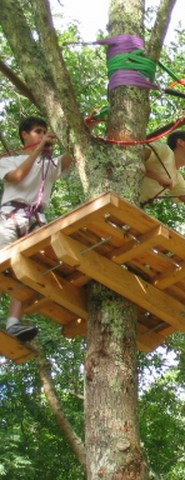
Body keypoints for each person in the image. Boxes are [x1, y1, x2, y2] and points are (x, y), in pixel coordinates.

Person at [0, 116, 73, 342]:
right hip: (10, 217)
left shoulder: (48, 165)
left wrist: (84, 128)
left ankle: (13, 323)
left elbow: (71, 156)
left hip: (36, 221)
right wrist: (39, 149)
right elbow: (18, 177)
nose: (42, 136)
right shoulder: (9, 161)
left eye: (44, 133)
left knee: (28, 273)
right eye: (38, 132)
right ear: (25, 135)